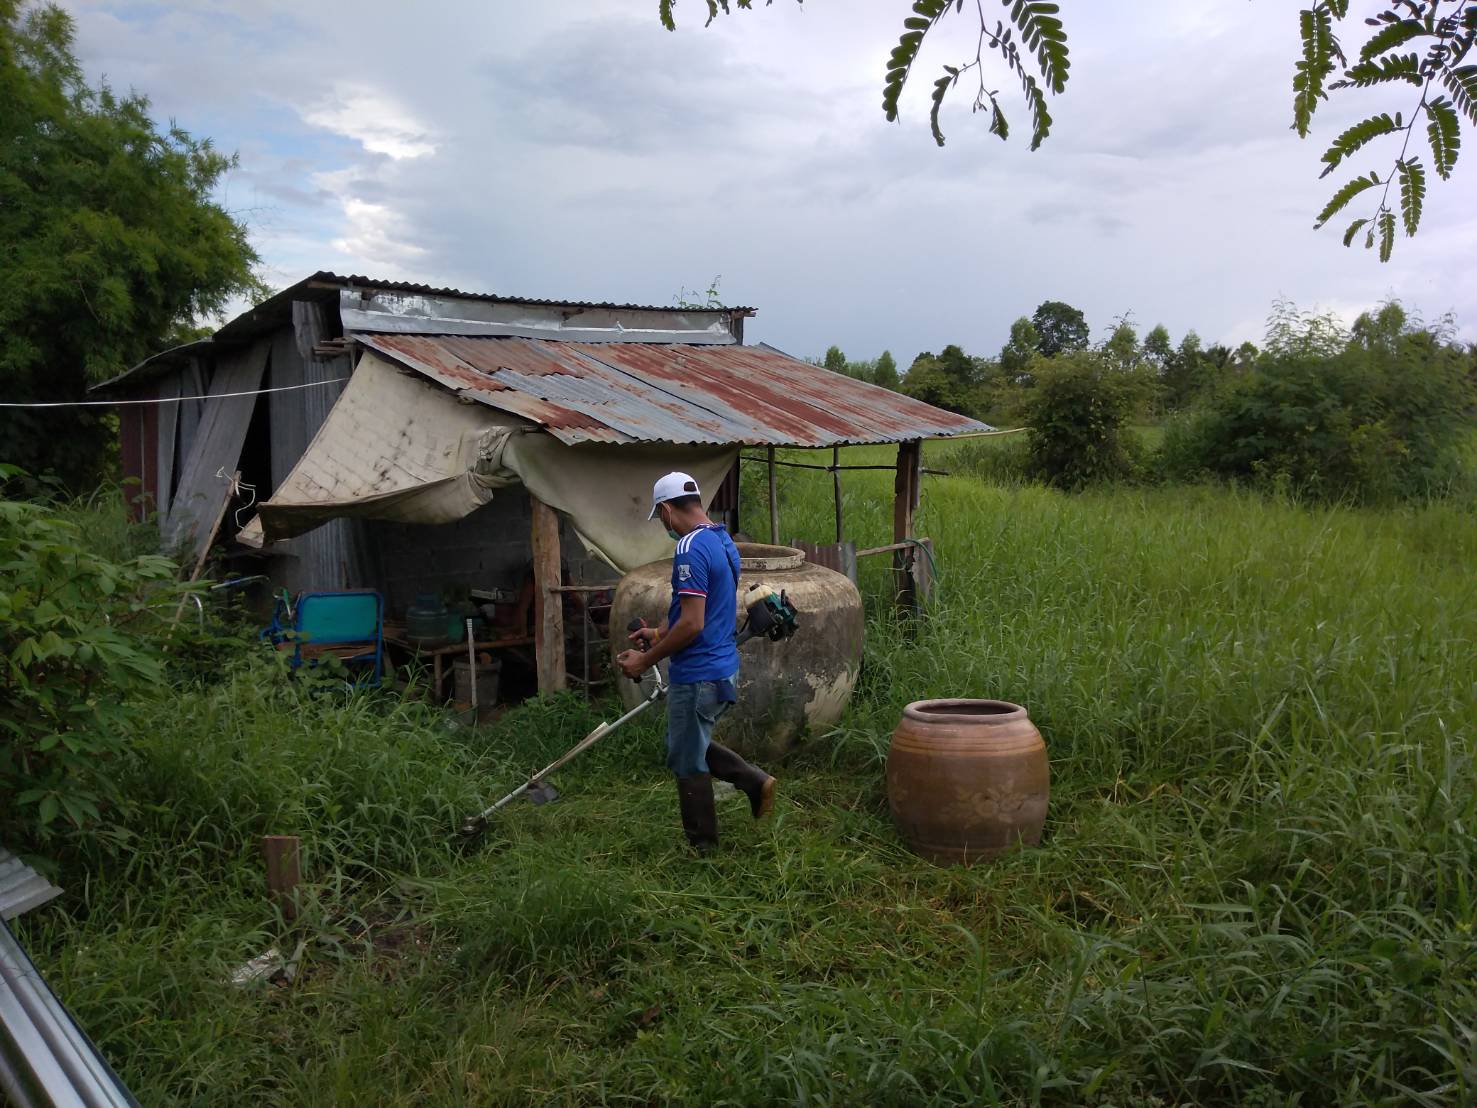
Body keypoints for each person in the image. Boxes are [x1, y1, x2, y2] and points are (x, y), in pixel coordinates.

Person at [616, 471, 776, 853]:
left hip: (699, 673)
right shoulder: (723, 540)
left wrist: (645, 660)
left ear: (668, 510)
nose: (665, 526)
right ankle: (755, 782)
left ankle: (703, 851)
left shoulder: (689, 547)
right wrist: (657, 634)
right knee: (686, 741)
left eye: (661, 518)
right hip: (722, 665)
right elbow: (709, 610)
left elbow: (692, 622)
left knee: (686, 759)